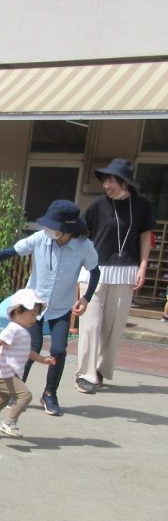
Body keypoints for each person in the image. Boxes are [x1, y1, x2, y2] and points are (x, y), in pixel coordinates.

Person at [0, 199, 99, 417]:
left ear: (67, 228)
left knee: (59, 350)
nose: (47, 228)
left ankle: (49, 394)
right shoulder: (40, 238)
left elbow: (95, 271)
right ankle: (16, 390)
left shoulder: (84, 247)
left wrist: (86, 298)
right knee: (31, 347)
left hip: (61, 307)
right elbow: (7, 252)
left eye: (53, 225)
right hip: (34, 305)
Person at [74, 159, 156, 393]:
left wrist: (143, 267)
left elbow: (145, 237)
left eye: (111, 180)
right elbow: (81, 234)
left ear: (124, 183)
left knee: (113, 327)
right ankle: (85, 374)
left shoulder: (142, 206)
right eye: (105, 180)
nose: (106, 185)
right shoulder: (98, 205)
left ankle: (100, 370)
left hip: (125, 271)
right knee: (90, 325)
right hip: (93, 271)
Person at [0, 288, 55, 439]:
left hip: (9, 374)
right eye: (32, 314)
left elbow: (27, 352)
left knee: (1, 400)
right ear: (18, 311)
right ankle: (9, 422)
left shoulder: (22, 331)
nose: (35, 319)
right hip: (6, 374)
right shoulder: (13, 328)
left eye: (36, 315)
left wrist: (43, 359)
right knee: (25, 396)